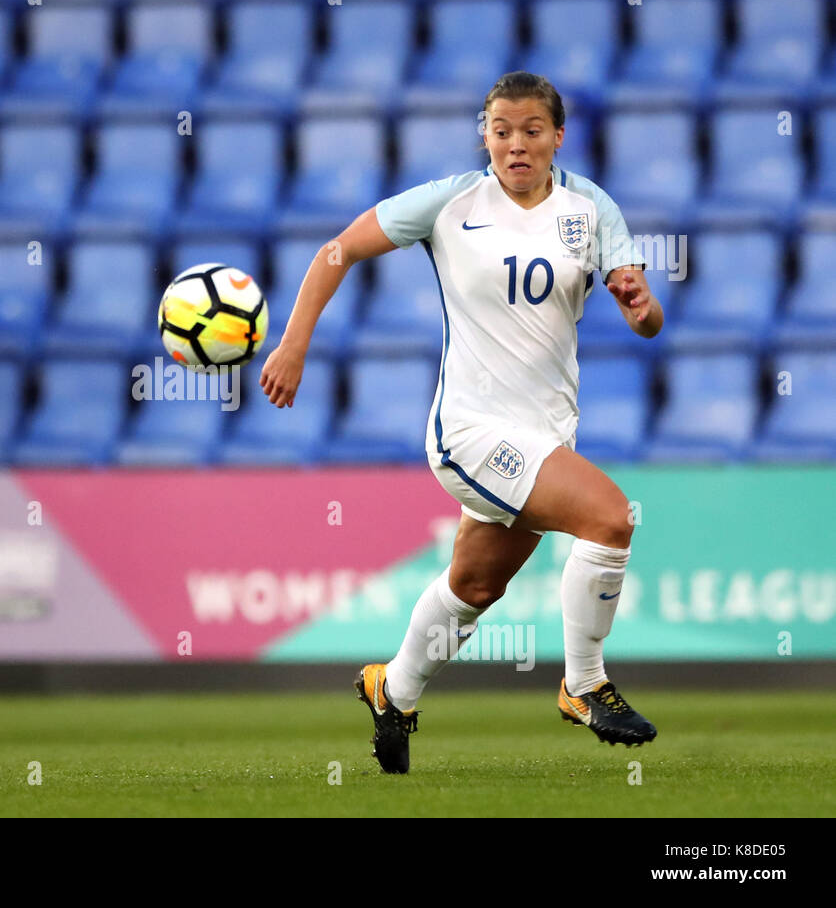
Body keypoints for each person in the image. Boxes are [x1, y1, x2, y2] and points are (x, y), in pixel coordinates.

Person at [260, 71, 662, 774]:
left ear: (557, 137)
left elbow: (649, 318)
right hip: (471, 431)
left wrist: (639, 304)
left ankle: (394, 689)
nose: (515, 145)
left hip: (546, 430)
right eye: (501, 131)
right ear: (486, 136)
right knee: (610, 518)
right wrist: (294, 343)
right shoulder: (451, 203)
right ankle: (584, 683)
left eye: (531, 131)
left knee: (475, 586)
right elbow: (339, 250)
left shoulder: (590, 207)